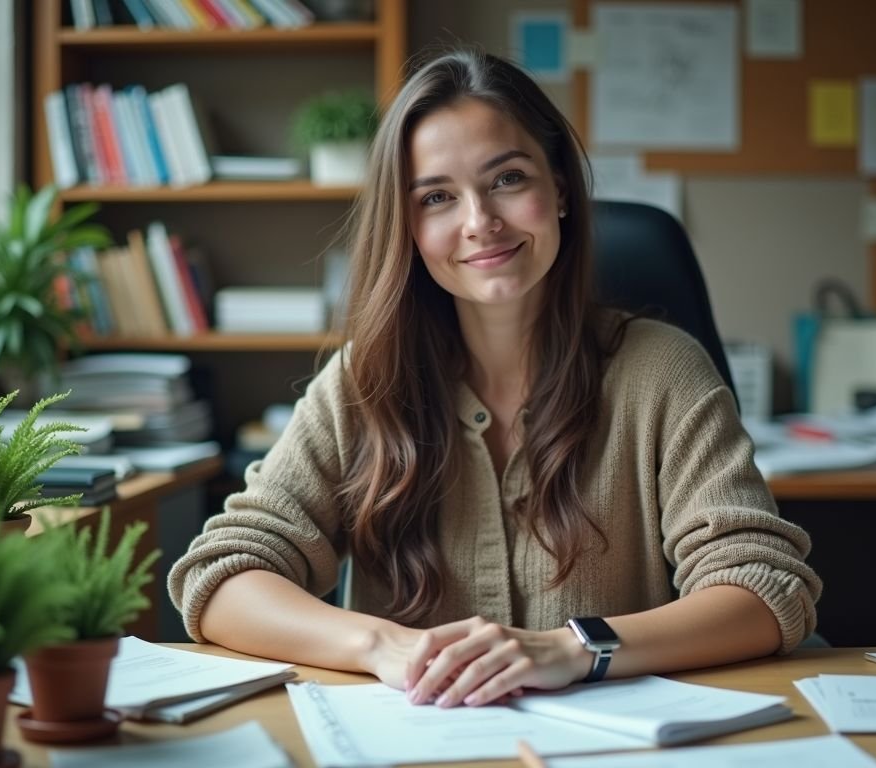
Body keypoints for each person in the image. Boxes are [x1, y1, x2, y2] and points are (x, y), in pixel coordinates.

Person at [169, 49, 821, 710]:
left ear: (560, 188)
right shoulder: (366, 380)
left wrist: (572, 650)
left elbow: (764, 590)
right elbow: (222, 576)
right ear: (409, 227)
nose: (480, 221)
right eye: (438, 197)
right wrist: (382, 647)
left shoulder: (662, 372)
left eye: (507, 178)